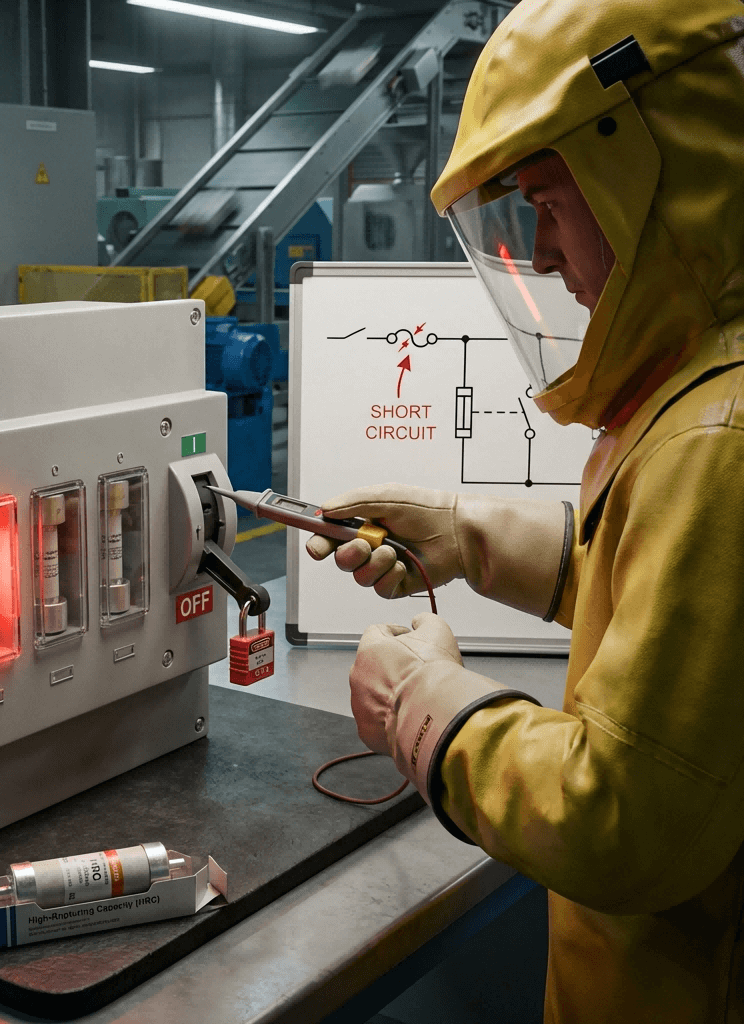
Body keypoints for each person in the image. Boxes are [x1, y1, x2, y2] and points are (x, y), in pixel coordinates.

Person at [306, 1, 744, 1019]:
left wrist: (420, 702)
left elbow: (621, 818)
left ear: (650, 169)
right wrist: (471, 537)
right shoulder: (707, 382)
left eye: (548, 202)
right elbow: (690, 617)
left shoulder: (717, 437)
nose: (541, 254)